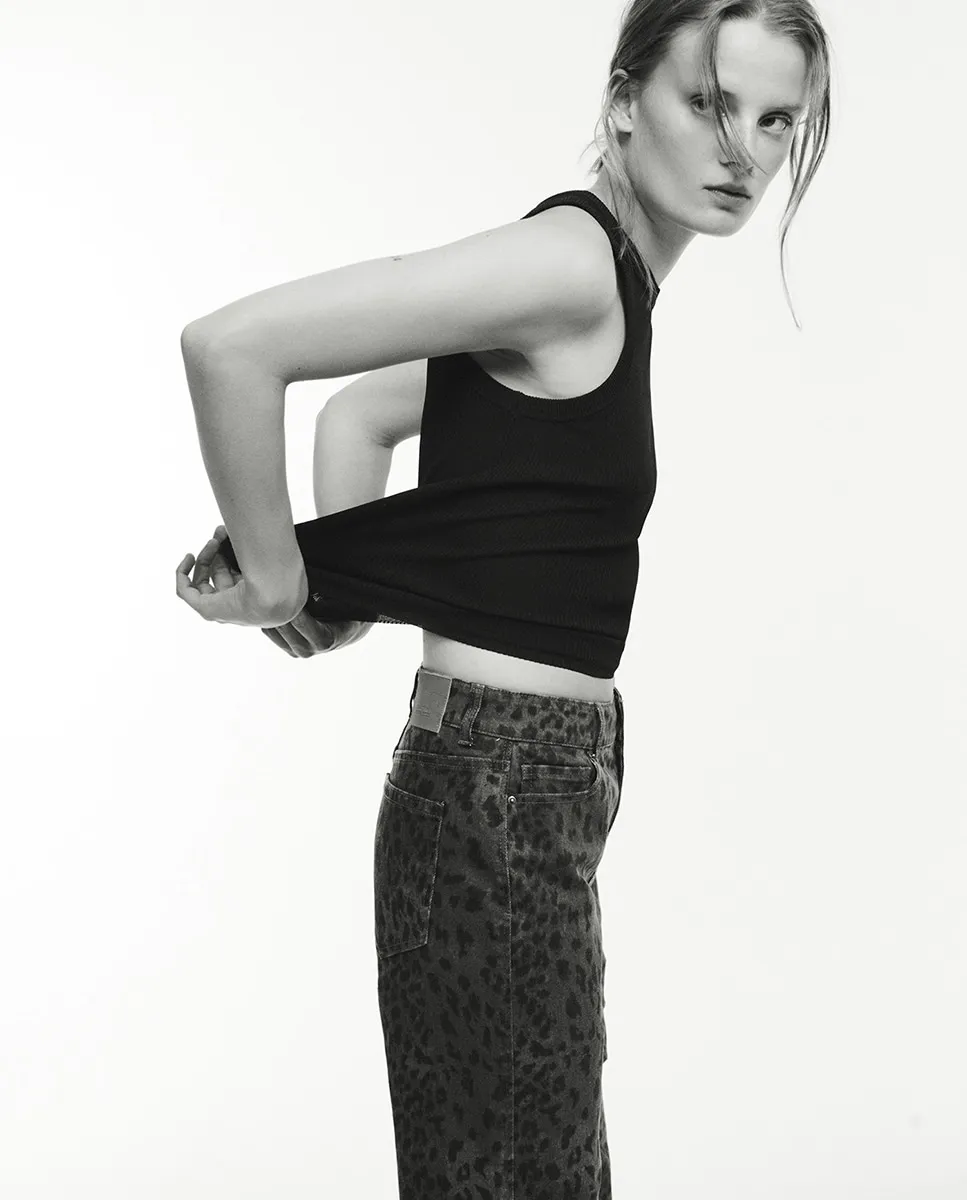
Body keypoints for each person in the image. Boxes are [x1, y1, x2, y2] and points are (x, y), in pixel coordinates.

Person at [175, 2, 832, 1194]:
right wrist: (279, 580)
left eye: (775, 119)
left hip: (520, 784)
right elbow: (233, 347)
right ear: (623, 103)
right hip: (502, 789)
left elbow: (361, 414)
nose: (742, 150)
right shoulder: (570, 262)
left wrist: (344, 599)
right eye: (707, 103)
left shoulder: (610, 282)